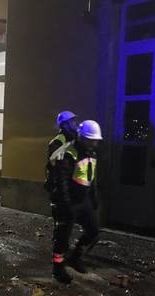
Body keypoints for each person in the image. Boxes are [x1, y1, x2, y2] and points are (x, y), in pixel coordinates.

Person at [45, 113, 103, 283]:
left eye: (95, 140)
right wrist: (66, 203)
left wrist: (93, 197)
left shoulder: (91, 152)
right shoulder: (69, 152)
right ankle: (58, 268)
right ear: (82, 137)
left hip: (83, 198)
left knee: (93, 231)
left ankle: (75, 258)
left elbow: (90, 177)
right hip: (68, 199)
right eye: (90, 140)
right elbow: (62, 180)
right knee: (62, 236)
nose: (93, 143)